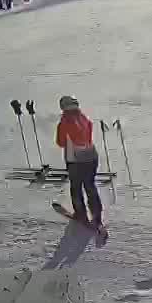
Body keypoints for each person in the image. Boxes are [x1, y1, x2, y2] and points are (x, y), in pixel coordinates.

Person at [55, 95, 103, 227]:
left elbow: (60, 142)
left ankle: (80, 214)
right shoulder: (85, 119)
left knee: (76, 188)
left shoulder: (64, 122)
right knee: (90, 186)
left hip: (76, 160)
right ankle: (97, 215)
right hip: (92, 157)